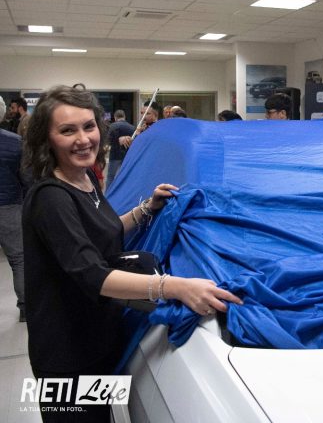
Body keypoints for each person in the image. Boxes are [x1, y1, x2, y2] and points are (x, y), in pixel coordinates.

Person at [22, 85, 242, 422]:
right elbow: (92, 274)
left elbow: (102, 231)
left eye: (89, 126)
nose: (83, 139)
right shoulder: (51, 198)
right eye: (67, 131)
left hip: (97, 336)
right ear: (46, 139)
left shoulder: (83, 179)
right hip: (67, 353)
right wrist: (175, 287)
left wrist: (147, 209)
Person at [0, 96, 26, 322]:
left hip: (9, 203)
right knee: (18, 259)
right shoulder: (15, 142)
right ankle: (25, 308)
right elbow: (26, 178)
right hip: (9, 206)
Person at [105, 109, 135, 189]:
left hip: (114, 155)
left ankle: (108, 193)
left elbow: (108, 141)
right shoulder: (132, 127)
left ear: (115, 117)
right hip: (127, 155)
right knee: (125, 176)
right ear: (124, 116)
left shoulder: (112, 126)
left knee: (110, 176)